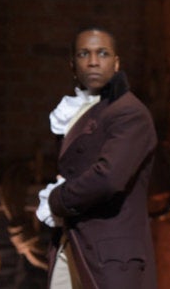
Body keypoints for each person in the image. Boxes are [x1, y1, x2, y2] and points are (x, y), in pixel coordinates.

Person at [36, 27, 158, 288]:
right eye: (84, 54)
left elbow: (108, 177)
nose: (93, 61)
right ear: (73, 65)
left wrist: (57, 199)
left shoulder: (129, 113)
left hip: (110, 252)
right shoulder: (79, 111)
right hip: (74, 241)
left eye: (102, 53)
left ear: (116, 63)